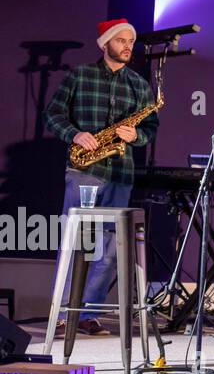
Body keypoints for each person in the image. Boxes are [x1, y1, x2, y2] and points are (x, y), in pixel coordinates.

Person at [45, 19, 159, 336]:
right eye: (120, 40)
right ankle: (66, 310)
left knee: (109, 244)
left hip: (120, 173)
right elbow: (52, 114)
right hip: (85, 169)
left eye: (130, 42)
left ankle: (89, 313)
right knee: (77, 239)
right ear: (104, 43)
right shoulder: (79, 76)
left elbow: (150, 129)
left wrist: (135, 133)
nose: (127, 46)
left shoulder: (139, 85)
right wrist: (75, 134)